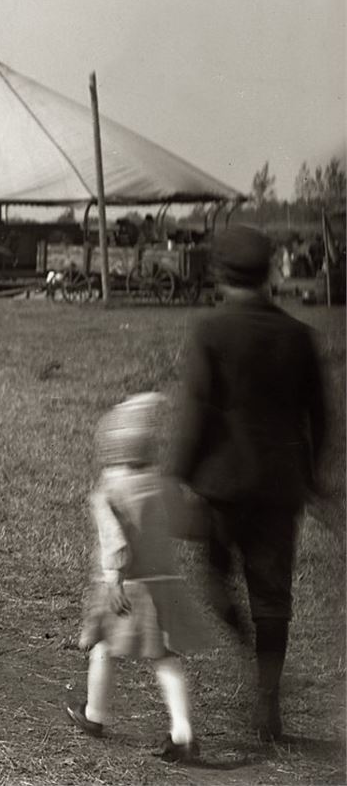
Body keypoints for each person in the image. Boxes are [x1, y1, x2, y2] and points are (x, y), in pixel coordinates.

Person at [168, 225, 330, 743]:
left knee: (215, 577)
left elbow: (195, 410)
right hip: (281, 490)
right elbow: (322, 417)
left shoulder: (209, 329)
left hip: (222, 486)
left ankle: (244, 653)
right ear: (269, 274)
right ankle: (268, 697)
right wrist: (314, 477)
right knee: (273, 596)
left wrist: (176, 474)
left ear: (218, 273)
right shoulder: (299, 336)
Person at [67, 392, 210, 763]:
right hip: (163, 585)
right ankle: (183, 733)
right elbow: (184, 523)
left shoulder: (109, 487)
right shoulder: (161, 482)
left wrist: (113, 579)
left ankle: (95, 714)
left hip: (126, 586)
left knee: (104, 648)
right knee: (165, 658)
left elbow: (113, 539)